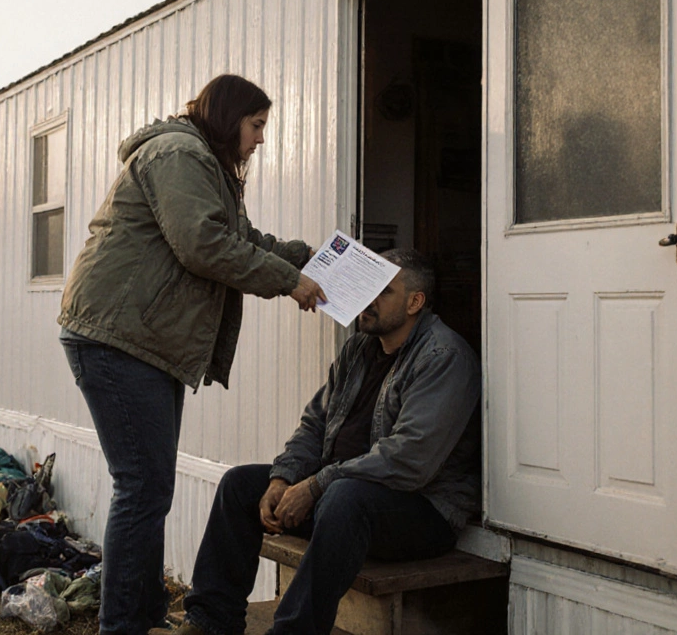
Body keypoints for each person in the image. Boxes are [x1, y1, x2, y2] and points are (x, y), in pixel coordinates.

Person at [57, 73, 328, 635]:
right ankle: (125, 625)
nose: (258, 140)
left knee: (147, 488)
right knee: (143, 488)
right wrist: (288, 281)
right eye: (256, 126)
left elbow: (242, 238)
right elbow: (202, 245)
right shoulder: (180, 154)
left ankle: (141, 618)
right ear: (231, 118)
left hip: (142, 340)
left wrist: (310, 259)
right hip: (119, 337)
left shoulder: (203, 162)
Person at [157, 249, 481, 635]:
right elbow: (315, 424)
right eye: (365, 287)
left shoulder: (444, 356)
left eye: (382, 291)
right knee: (240, 485)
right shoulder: (359, 349)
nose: (367, 299)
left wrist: (315, 485)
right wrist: (284, 478)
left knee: (345, 497)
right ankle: (210, 622)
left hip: (421, 511)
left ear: (415, 302)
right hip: (339, 499)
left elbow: (408, 460)